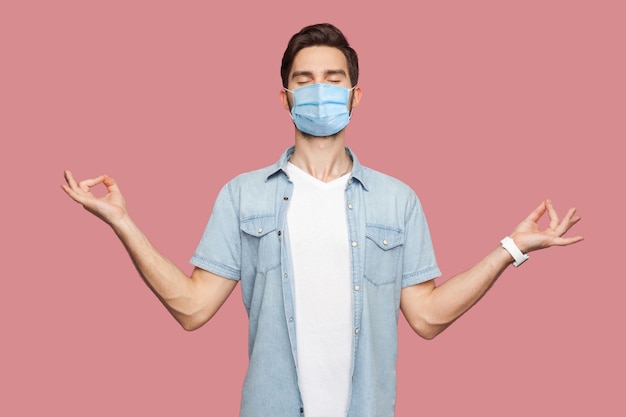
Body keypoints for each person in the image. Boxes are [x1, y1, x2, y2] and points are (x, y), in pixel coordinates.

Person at [61, 23, 583, 417]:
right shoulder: (243, 195)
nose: (319, 89)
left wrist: (511, 248)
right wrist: (122, 223)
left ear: (355, 95)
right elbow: (193, 308)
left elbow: (425, 317)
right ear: (285, 97)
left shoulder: (396, 200)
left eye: (333, 79)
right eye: (304, 79)